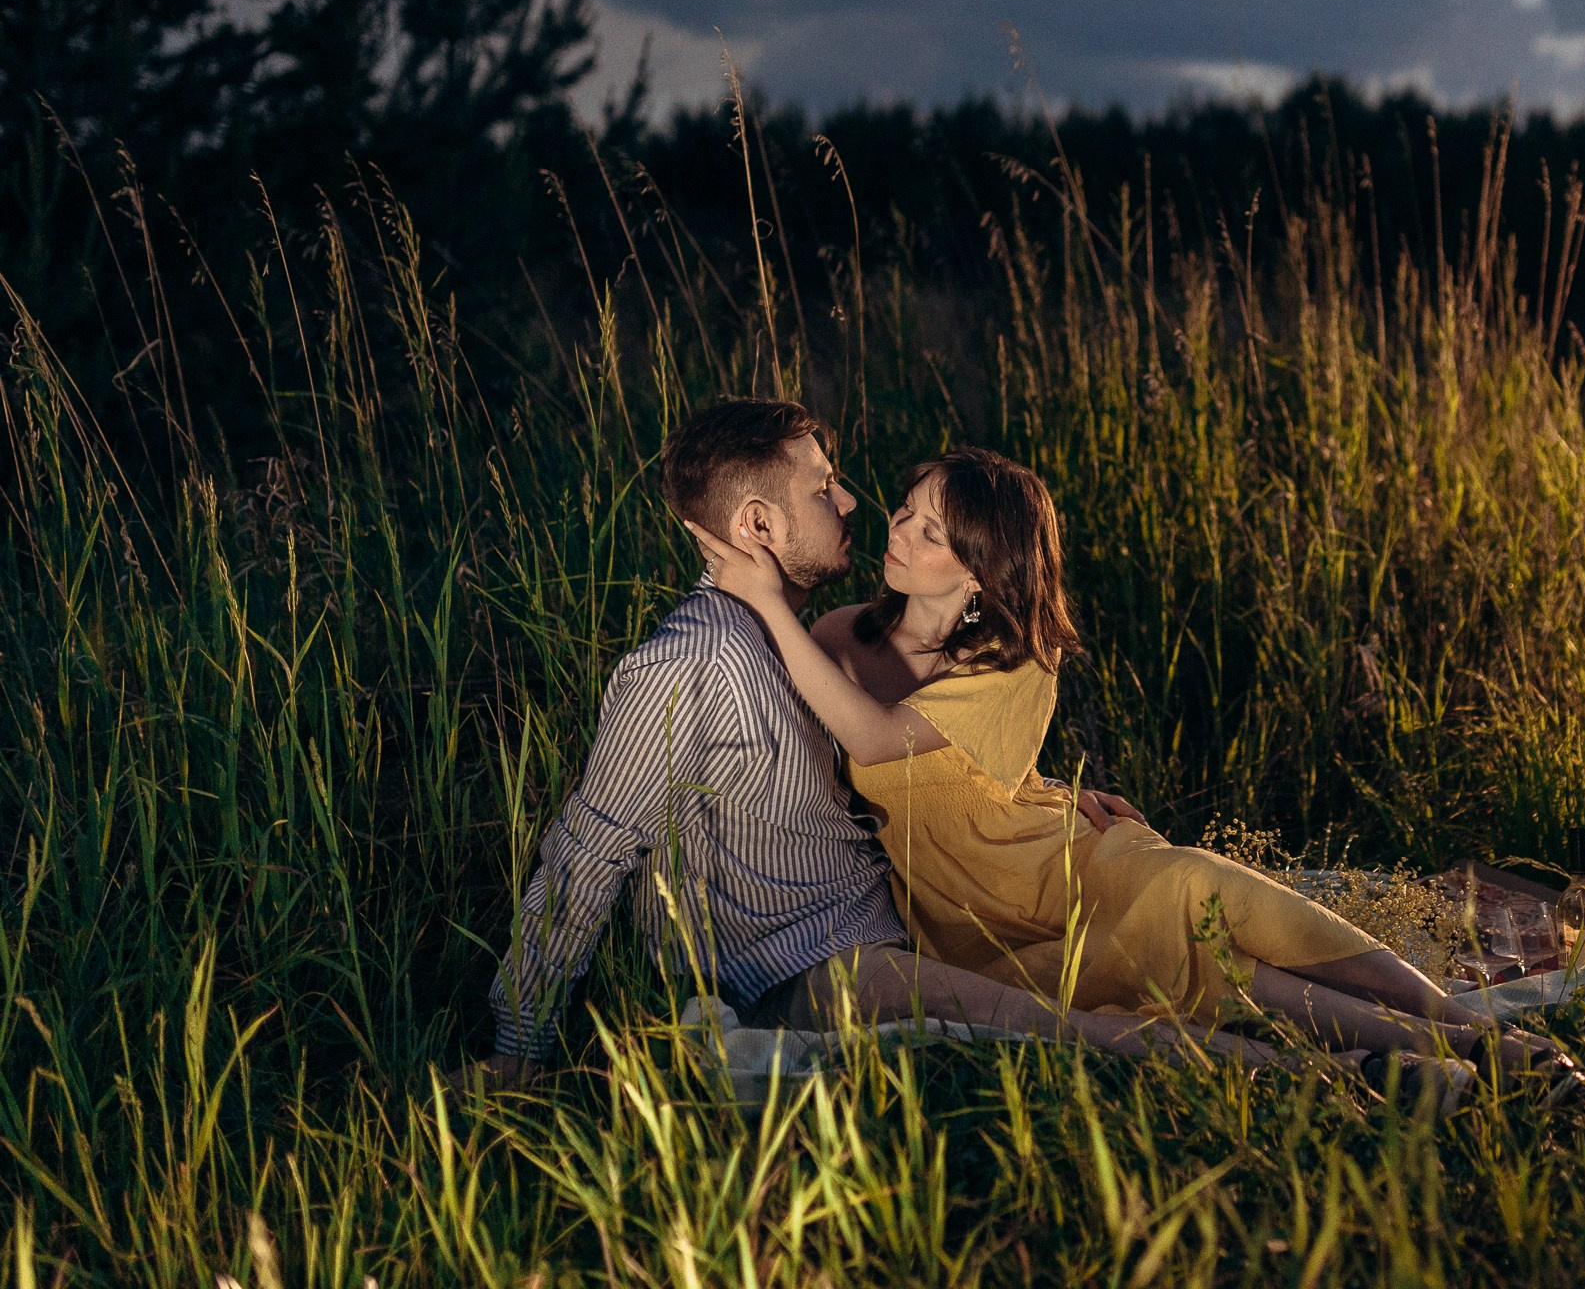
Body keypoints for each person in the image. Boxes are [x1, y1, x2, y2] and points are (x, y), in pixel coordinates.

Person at [686, 445, 1580, 1082]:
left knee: (1210, 894)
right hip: (973, 912)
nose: (899, 532)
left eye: (930, 532)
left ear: (978, 575)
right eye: (907, 512)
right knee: (1202, 967)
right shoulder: (842, 637)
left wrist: (764, 602)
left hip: (1058, 870)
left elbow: (880, 741)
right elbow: (814, 752)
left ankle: (1466, 1037)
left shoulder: (1013, 661)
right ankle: (1424, 1055)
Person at [451, 401, 1220, 1091]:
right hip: (807, 963)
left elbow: (905, 751)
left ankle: (1298, 1009)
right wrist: (521, 1045)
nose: (852, 501)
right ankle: (1299, 1070)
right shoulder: (687, 664)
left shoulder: (803, 639)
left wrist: (1028, 791)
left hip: (894, 910)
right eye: (822, 488)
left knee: (1144, 930)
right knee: (1055, 1030)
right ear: (758, 526)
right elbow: (586, 852)